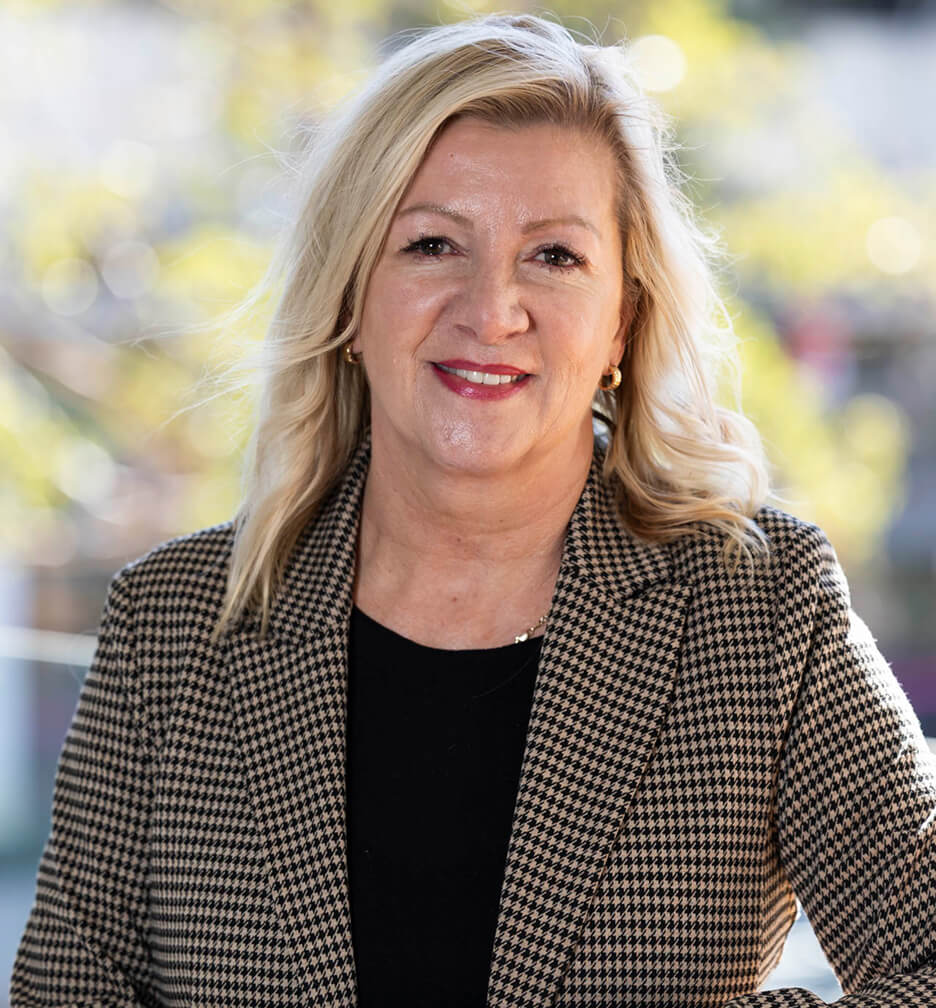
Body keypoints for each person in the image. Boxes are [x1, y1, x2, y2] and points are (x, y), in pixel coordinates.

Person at [12, 13, 936, 1008]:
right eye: (433, 244)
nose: (491, 309)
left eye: (555, 257)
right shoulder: (170, 622)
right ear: (351, 298)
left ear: (621, 322)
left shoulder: (759, 607)